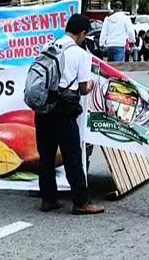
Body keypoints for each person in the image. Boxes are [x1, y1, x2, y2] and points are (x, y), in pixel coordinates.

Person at [33, 15, 104, 214]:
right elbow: (82, 89)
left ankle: (48, 199)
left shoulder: (48, 47)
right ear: (82, 33)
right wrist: (91, 84)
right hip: (64, 110)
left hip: (43, 108)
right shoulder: (81, 54)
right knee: (72, 156)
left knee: (45, 156)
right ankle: (81, 202)